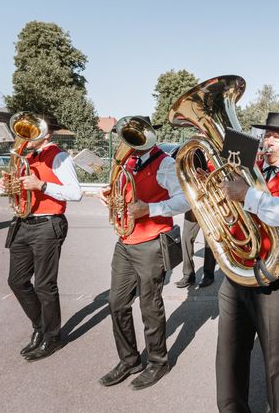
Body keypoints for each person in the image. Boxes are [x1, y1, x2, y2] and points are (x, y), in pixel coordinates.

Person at [219, 112, 279, 413]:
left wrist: (247, 195)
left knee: (277, 360)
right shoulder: (251, 169)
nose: (268, 141)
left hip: (276, 278)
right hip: (237, 273)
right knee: (229, 355)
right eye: (266, 135)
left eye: (276, 136)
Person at [98, 116, 191, 390]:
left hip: (151, 242)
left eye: (132, 138)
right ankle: (129, 359)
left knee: (150, 306)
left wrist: (149, 209)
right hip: (125, 241)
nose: (127, 143)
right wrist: (110, 196)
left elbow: (185, 201)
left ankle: (158, 362)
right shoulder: (126, 161)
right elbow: (123, 190)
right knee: (116, 303)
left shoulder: (165, 164)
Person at [0, 115, 82, 361]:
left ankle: (52, 337)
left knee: (44, 285)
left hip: (48, 223)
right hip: (23, 222)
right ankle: (40, 327)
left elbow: (75, 193)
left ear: (46, 134)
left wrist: (41, 185)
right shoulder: (25, 156)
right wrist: (9, 185)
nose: (25, 138)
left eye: (32, 133)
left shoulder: (59, 156)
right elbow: (20, 186)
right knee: (17, 281)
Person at [173, 148, 216, 288]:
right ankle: (188, 275)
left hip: (211, 205)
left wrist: (209, 176)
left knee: (210, 242)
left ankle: (209, 275)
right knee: (186, 238)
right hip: (193, 204)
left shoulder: (217, 158)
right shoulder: (192, 154)